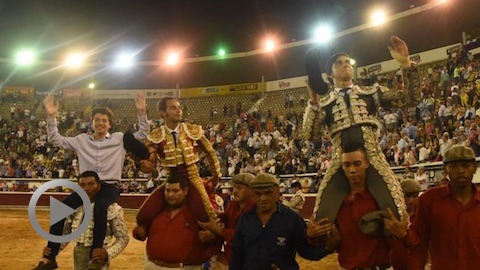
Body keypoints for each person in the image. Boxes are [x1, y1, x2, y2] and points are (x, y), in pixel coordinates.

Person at [303, 36, 421, 224]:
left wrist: (405, 63)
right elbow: (311, 135)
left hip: (372, 157)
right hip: (339, 161)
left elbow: (410, 99)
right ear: (329, 74)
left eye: (348, 62)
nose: (345, 65)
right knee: (321, 218)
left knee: (396, 212)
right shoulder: (324, 103)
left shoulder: (371, 92)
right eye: (339, 63)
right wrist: (314, 102)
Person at [34, 92, 149, 270]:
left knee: (101, 208)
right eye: (97, 120)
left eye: (104, 120)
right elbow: (55, 139)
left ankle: (96, 255)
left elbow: (142, 134)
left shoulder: (119, 139)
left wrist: (142, 112)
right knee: (60, 211)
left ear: (110, 124)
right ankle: (50, 258)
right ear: (92, 123)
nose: (100, 123)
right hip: (87, 187)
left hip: (109, 186)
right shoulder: (81, 140)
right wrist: (51, 116)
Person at [307, 142, 401, 269]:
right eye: (347, 165)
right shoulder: (336, 203)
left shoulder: (380, 199)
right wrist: (311, 235)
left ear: (366, 164)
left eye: (357, 164)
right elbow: (320, 242)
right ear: (342, 167)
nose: (352, 170)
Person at [389, 145, 480, 269]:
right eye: (453, 166)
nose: (460, 170)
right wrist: (404, 234)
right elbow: (419, 241)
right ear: (445, 169)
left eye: (466, 165)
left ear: (475, 167)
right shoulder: (430, 200)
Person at [136, 97, 222, 229]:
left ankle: (215, 240)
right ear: (163, 113)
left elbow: (210, 152)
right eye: (173, 108)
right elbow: (149, 161)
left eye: (179, 108)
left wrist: (216, 174)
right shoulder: (156, 135)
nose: (178, 111)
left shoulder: (191, 129)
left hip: (192, 177)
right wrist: (144, 165)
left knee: (207, 213)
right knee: (144, 214)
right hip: (171, 179)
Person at [230, 173, 329, 270]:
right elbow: (237, 257)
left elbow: (306, 251)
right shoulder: (245, 219)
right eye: (258, 194)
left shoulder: (293, 219)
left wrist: (329, 247)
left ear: (277, 192)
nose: (263, 198)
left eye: (268, 193)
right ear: (252, 194)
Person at [41, 171, 129, 270]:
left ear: (99, 186)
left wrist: (107, 253)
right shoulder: (75, 209)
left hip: (98, 261)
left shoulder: (112, 209)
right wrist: (53, 250)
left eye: (91, 184)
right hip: (78, 258)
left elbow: (123, 238)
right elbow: (66, 235)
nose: (86, 188)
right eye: (82, 185)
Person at [132, 172, 219, 270]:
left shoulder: (197, 212)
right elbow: (140, 231)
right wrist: (138, 233)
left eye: (175, 191)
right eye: (167, 191)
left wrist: (212, 236)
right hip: (152, 265)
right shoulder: (157, 209)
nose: (170, 195)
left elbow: (219, 237)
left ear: (185, 191)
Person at [198, 173, 256, 267]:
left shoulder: (256, 208)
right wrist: (216, 215)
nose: (234, 191)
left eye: (239, 188)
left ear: (251, 190)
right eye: (234, 188)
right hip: (231, 256)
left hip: (248, 258)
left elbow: (244, 235)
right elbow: (227, 219)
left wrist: (216, 230)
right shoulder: (233, 204)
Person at [390, 180, 423, 270]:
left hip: (418, 263)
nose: (411, 200)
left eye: (415, 196)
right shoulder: (393, 215)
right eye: (407, 196)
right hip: (397, 263)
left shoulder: (423, 214)